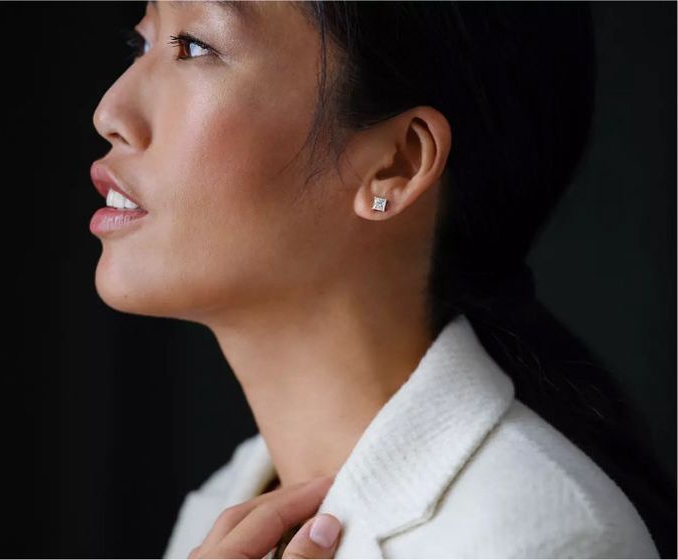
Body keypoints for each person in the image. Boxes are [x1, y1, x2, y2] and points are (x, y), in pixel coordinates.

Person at [89, 1, 674, 558]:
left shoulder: (540, 540)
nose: (111, 112)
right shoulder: (223, 511)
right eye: (141, 42)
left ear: (396, 164)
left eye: (194, 46)